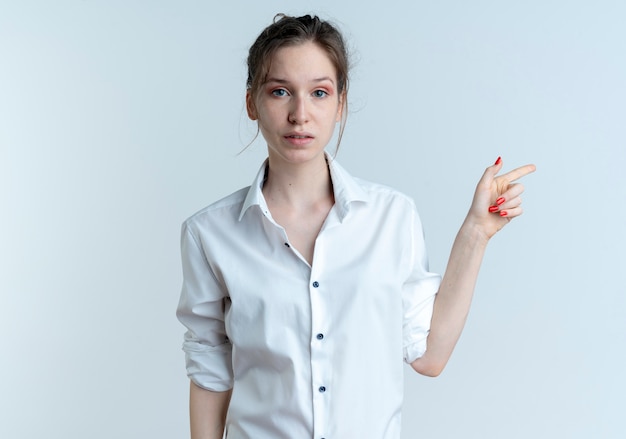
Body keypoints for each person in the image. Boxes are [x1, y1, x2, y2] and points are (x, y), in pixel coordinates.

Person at [176, 13, 536, 439]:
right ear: (252, 102)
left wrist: (476, 232)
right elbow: (210, 375)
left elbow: (430, 357)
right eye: (279, 92)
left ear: (340, 104)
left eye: (319, 93)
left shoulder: (392, 217)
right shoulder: (210, 234)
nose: (300, 114)